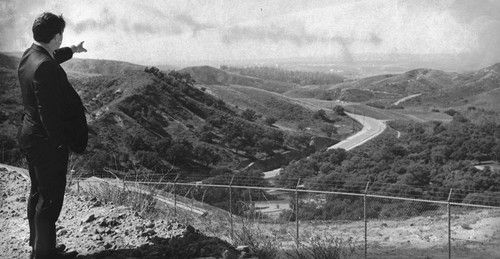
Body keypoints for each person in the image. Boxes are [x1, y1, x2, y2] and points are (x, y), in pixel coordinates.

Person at [18, 12, 88, 259]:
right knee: (49, 201)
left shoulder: (30, 56)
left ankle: (38, 244)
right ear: (56, 36)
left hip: (30, 136)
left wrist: (73, 50)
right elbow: (48, 114)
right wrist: (60, 145)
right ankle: (44, 255)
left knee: (38, 192)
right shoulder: (45, 66)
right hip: (46, 143)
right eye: (62, 37)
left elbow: (51, 57)